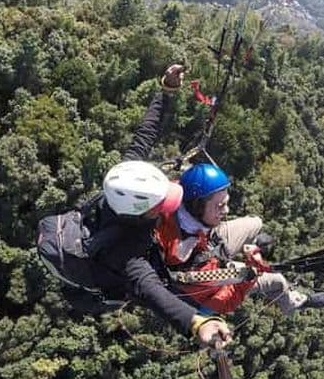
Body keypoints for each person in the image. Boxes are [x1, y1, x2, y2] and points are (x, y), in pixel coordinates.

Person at [37, 65, 231, 346]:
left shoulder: (124, 182)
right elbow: (152, 291)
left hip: (103, 238)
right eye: (160, 204)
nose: (167, 205)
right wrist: (195, 322)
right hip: (109, 274)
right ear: (142, 213)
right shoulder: (128, 253)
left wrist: (167, 91)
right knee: (170, 282)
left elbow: (144, 135)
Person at [155, 162, 324, 315]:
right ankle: (295, 303)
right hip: (204, 272)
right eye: (220, 206)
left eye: (226, 202)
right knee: (277, 280)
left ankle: (245, 251)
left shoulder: (176, 199)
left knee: (255, 223)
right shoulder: (190, 269)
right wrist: (251, 272)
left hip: (208, 239)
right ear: (197, 207)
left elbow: (183, 184)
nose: (226, 211)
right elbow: (225, 301)